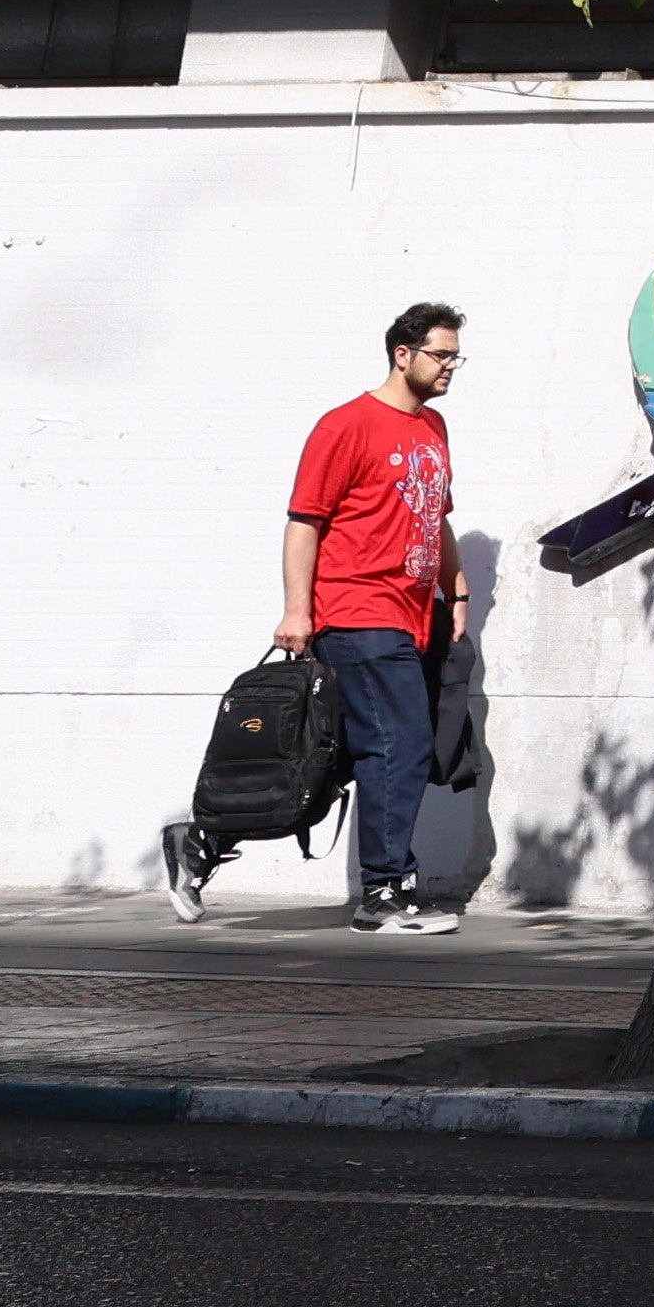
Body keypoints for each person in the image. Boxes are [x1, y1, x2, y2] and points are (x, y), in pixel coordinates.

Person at [167, 301, 464, 931]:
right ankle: (384, 894)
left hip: (411, 617)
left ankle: (200, 841)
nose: (450, 367)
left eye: (456, 356)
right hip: (357, 609)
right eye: (440, 354)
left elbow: (436, 516)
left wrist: (455, 589)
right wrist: (296, 610)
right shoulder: (346, 426)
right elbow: (305, 522)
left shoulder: (433, 429)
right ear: (401, 353)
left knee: (337, 759)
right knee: (402, 744)